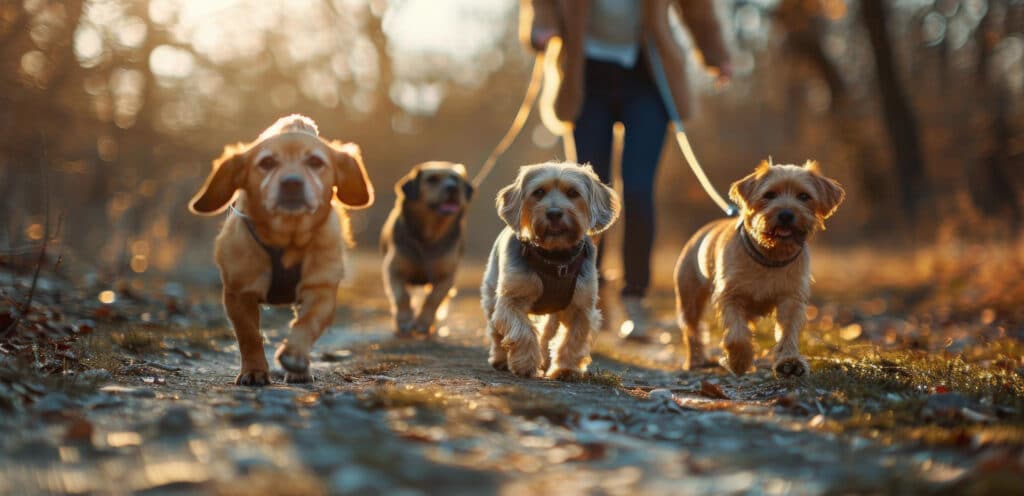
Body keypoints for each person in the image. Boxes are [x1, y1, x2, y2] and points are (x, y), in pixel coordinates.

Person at [519, 0, 732, 339]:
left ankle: (636, 301)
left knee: (637, 188)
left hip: (648, 76)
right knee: (586, 193)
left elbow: (697, 9)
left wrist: (716, 54)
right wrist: (542, 27)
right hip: (585, 78)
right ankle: (586, 295)